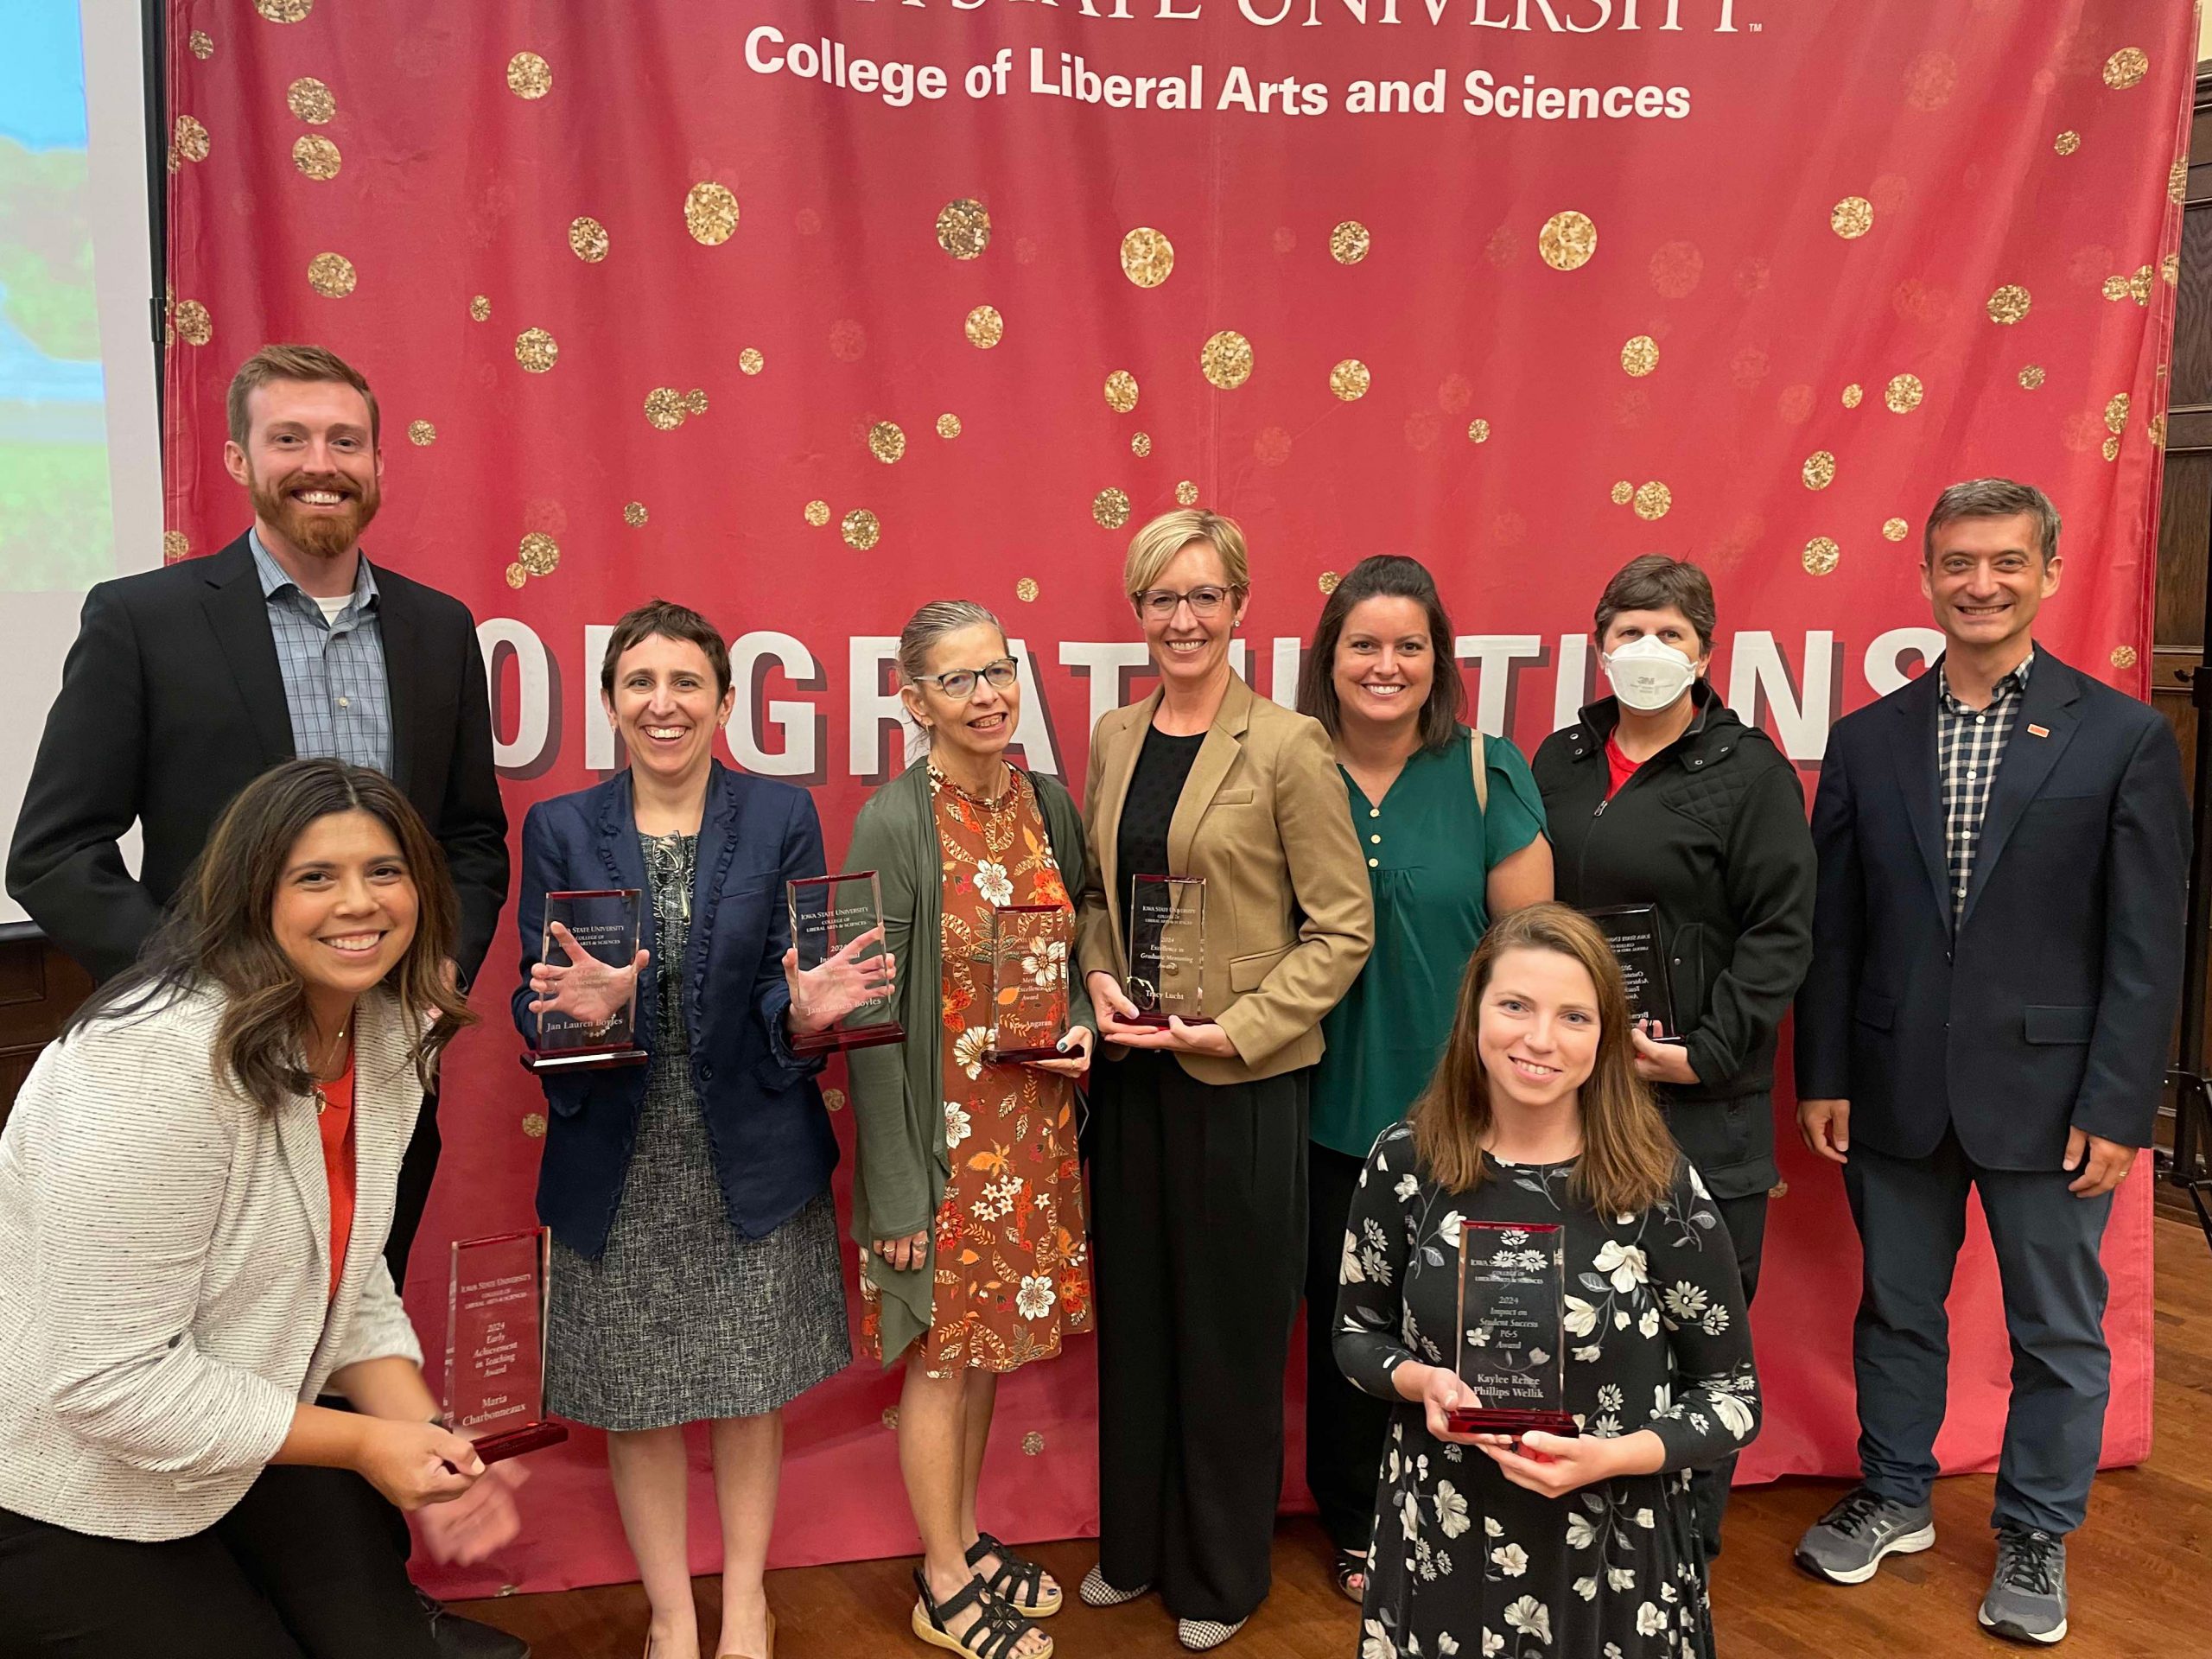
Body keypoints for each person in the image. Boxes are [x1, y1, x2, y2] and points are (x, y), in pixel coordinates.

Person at [3, 343, 515, 1659]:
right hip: (94, 1425)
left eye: (345, 440)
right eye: (290, 439)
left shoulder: (438, 628)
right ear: (239, 461)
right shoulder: (145, 619)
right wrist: (217, 988)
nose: (320, 465)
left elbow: (466, 836)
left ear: (380, 464)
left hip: (355, 1066)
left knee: (316, 1307)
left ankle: (357, 1578)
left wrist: (422, 979)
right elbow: (53, 853)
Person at [0, 759, 524, 1658]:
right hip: (54, 1474)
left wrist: (424, 1437)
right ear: (251, 898)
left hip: (237, 1440)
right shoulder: (150, 1063)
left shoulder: (391, 1028)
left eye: (383, 872)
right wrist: (366, 1447)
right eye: (315, 877)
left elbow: (342, 1275)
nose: (358, 903)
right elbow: (104, 1382)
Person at [1791, 480, 2188, 1646]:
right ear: (1927, 575)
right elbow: (1839, 928)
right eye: (1960, 563)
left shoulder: (2123, 736)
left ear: (2047, 573)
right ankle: (1896, 1495)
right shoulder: (1868, 742)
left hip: (2056, 1100)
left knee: (2057, 1332)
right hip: (1895, 1088)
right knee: (1898, 1312)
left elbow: (2144, 943)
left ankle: (2032, 1530)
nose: (1981, 585)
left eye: (2007, 563)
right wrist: (1825, 1074)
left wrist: (2120, 1105)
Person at [515, 601, 885, 1659]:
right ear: (609, 704)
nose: (662, 704)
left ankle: (749, 1603)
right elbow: (530, 1001)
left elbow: (789, 979)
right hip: (618, 1155)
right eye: (640, 683)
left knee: (748, 1386)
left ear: (725, 703)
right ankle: (673, 1615)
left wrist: (810, 1014)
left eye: (686, 684)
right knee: (635, 1400)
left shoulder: (778, 815)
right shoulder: (560, 828)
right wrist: (578, 1014)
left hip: (754, 1149)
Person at [1076, 507, 1375, 1651]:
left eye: (1204, 597)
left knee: (1230, 1334)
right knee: (1141, 1322)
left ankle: (1219, 1573)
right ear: (1138, 611)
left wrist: (1236, 1030)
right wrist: (1101, 983)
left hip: (1241, 1085)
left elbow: (1341, 930)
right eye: (1162, 598)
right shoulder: (1113, 737)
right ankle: (1136, 1548)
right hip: (1136, 1079)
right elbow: (1096, 899)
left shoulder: (1290, 747)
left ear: (1242, 608)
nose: (1183, 619)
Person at [1336, 902, 1760, 1659]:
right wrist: (1417, 1381)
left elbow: (1732, 1401)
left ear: (1607, 1038)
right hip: (1444, 1531)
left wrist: (1613, 1456)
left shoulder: (1659, 1187)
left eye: (1574, 1016)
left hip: (1611, 1549)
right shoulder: (1405, 1163)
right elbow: (1356, 1335)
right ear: (1473, 1015)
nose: (1539, 1039)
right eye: (1515, 1006)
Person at [1530, 554, 1815, 1560]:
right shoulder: (1557, 760)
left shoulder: (1750, 773)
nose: (1646, 652)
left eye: (1669, 635)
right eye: (1628, 631)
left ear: (1703, 651)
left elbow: (1782, 932)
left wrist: (1705, 1053)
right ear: (1598, 641)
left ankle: (1680, 1545)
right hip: (1573, 1095)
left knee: (1697, 1328)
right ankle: (1580, 1529)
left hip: (1698, 1102)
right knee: (1582, 1314)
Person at [1294, 554, 1552, 1602]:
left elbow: (1530, 957)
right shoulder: (1285, 763)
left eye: (1409, 645)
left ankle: (1475, 1509)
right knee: (1345, 1330)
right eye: (1364, 644)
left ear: (1439, 660)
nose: (1386, 664)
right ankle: (1358, 1522)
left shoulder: (1489, 769)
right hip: (1317, 1108)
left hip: (1460, 1115)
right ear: (1329, 659)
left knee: (1463, 1322)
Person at [846, 601, 1098, 1659]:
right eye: (957, 680)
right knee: (942, 1363)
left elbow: (1081, 924)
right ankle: (941, 1578)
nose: (987, 695)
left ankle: (963, 1533)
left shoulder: (1046, 801)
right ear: (915, 701)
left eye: (997, 671)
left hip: (1033, 1142)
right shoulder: (895, 823)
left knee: (986, 1353)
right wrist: (895, 1192)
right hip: (943, 1151)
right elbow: (865, 1014)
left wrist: (1087, 1018)